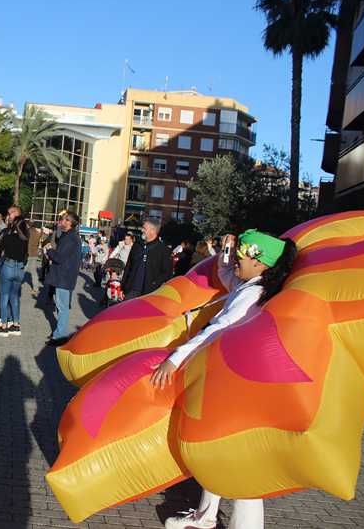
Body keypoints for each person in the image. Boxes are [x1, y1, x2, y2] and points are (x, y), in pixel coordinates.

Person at [151, 230, 298, 529]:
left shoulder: (254, 293)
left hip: (245, 387)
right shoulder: (253, 286)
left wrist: (174, 359)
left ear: (261, 264)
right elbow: (225, 273)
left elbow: (219, 328)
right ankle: (204, 517)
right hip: (238, 383)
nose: (238, 261)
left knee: (241, 464)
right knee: (219, 450)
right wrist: (227, 252)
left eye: (244, 255)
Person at [44, 211, 82, 346]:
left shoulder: (71, 238)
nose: (61, 222)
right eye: (61, 220)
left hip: (64, 277)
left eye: (64, 220)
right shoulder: (69, 236)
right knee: (62, 306)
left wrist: (49, 250)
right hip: (63, 276)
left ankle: (60, 335)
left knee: (62, 307)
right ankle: (58, 332)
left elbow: (59, 257)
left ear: (70, 223)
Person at [0, 213, 30, 336]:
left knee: (4, 297)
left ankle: (4, 326)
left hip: (8, 266)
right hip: (20, 269)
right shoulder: (25, 240)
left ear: (14, 224)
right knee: (14, 297)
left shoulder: (7, 237)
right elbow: (26, 256)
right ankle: (16, 325)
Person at [121, 218, 172, 300]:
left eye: (144, 228)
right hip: (131, 291)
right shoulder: (137, 245)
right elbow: (128, 267)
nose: (142, 230)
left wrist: (154, 284)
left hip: (150, 294)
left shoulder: (163, 250)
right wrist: (123, 287)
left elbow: (166, 273)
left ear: (153, 230)